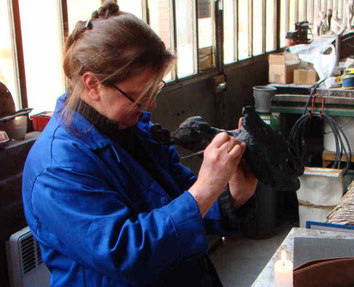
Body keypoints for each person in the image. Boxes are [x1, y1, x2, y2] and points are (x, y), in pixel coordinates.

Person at [22, 2, 257, 286]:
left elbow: (184, 204)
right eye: (139, 95)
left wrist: (232, 194)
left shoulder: (135, 132)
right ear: (93, 84)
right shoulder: (57, 167)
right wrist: (207, 186)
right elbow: (125, 255)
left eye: (154, 89)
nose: (151, 105)